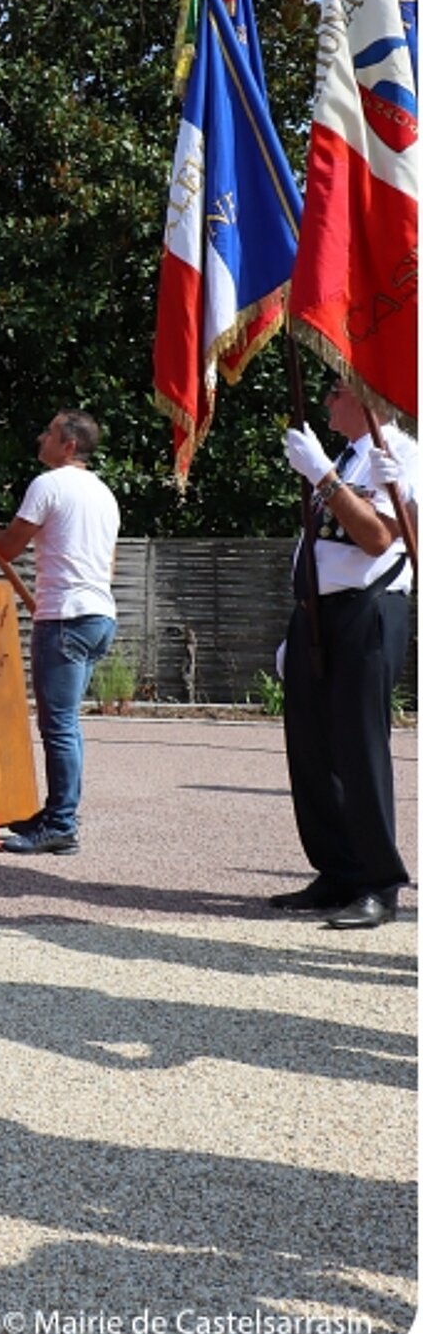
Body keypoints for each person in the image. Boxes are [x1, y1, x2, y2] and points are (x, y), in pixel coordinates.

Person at [273, 378, 417, 930]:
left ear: (367, 397)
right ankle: (338, 870)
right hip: (319, 614)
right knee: (311, 749)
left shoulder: (401, 453)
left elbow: (377, 539)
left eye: (337, 390)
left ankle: (379, 882)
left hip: (367, 609)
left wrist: (323, 477)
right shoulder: (347, 456)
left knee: (359, 748)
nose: (327, 400)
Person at [0, 409, 119, 854]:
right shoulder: (104, 494)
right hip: (99, 615)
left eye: (49, 432)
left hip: (65, 618)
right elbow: (108, 565)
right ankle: (57, 812)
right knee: (67, 724)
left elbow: (8, 548)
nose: (40, 438)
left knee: (60, 726)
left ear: (69, 445)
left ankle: (61, 823)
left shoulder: (48, 485)